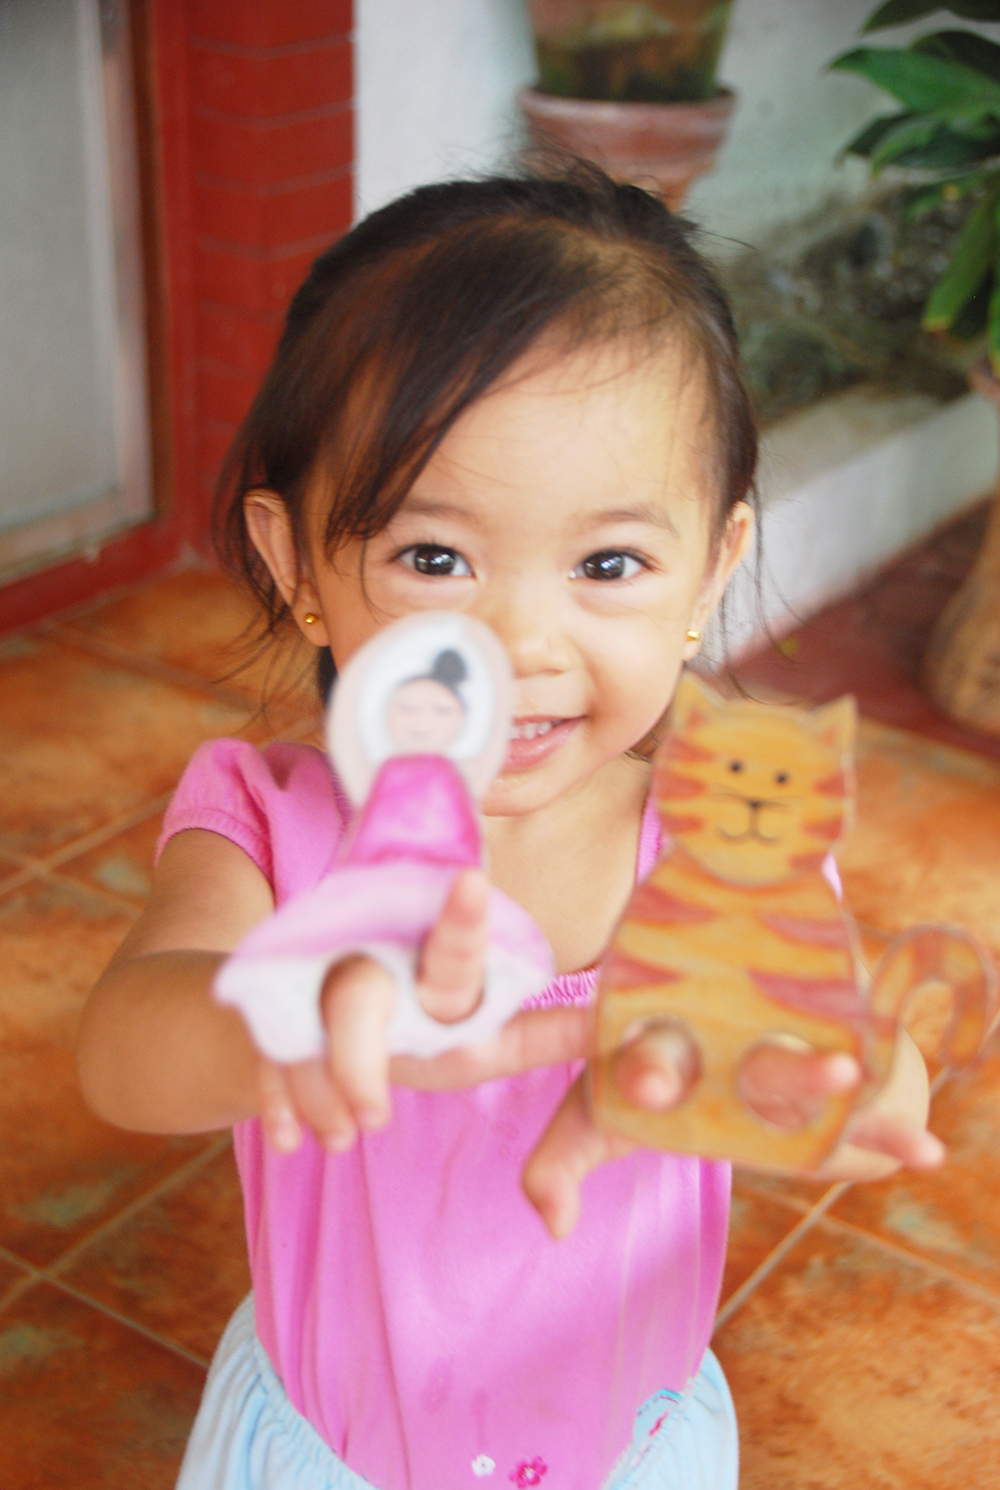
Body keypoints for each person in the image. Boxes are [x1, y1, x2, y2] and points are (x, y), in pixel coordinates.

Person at [76, 164, 942, 1490]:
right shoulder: (272, 821)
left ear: (712, 567)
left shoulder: (729, 833)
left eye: (608, 566)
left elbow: (840, 1057)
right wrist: (275, 1016)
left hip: (630, 1447)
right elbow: (126, 1050)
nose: (518, 646)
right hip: (332, 1454)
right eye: (435, 559)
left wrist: (832, 1080)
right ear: (298, 564)